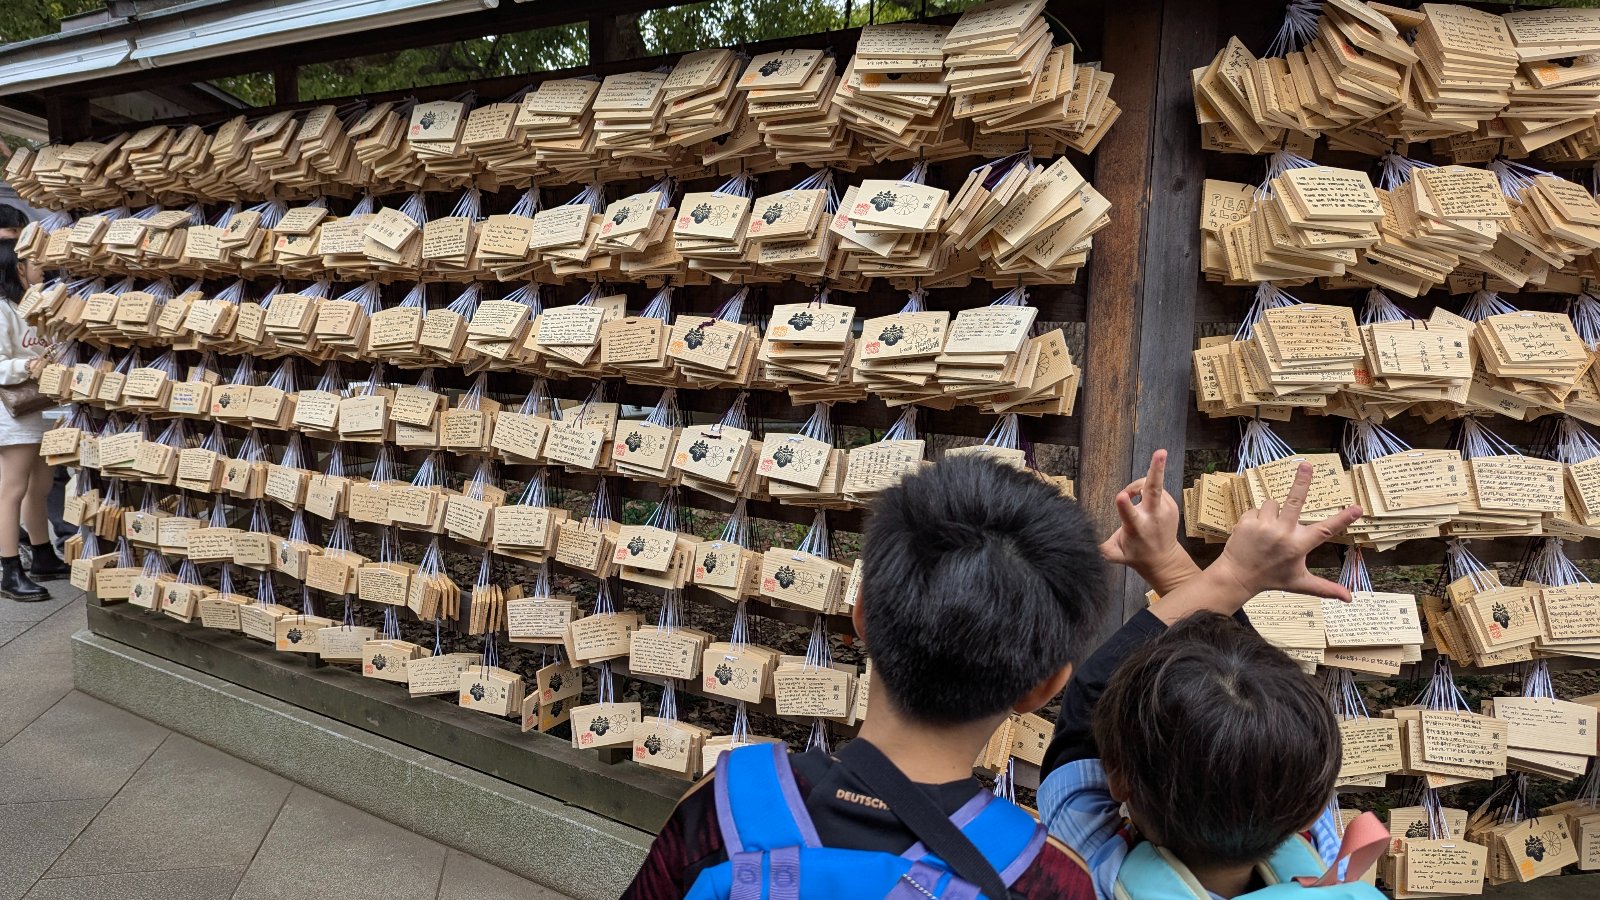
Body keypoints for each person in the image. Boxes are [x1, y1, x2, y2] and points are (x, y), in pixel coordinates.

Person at [622, 452, 1359, 899]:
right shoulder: (1050, 876)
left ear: (862, 618)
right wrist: (1221, 576)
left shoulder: (724, 807)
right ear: (1043, 687)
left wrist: (1224, 577)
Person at [1038, 454, 1384, 899]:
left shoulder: (1091, 871)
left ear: (1118, 778)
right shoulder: (1322, 861)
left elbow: (1087, 702)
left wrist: (1235, 576)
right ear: (1311, 804)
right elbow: (1255, 691)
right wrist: (1177, 568)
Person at [0, 239, 67, 601]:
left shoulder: (36, 305)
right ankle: (10, 569)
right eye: (31, 261)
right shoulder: (1, 310)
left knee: (40, 486)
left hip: (42, 406)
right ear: (15, 267)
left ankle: (43, 554)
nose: (40, 266)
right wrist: (27, 364)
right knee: (12, 489)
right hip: (13, 411)